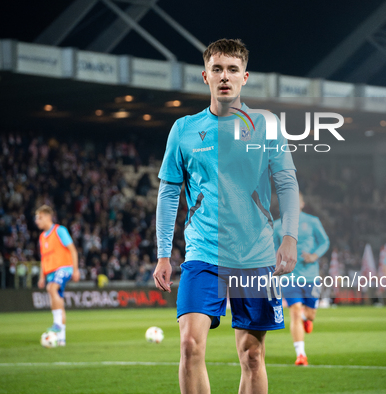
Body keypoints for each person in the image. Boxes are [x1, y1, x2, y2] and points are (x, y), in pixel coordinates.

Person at [153, 38, 300, 394]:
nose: (224, 76)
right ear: (205, 76)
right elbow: (169, 192)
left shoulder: (266, 126)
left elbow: (288, 184)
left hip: (255, 255)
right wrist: (162, 253)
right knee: (189, 346)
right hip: (204, 254)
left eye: (232, 70)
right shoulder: (184, 130)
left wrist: (290, 238)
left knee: (252, 355)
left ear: (244, 77)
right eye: (217, 69)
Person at [273, 192, 329, 366]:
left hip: (311, 276)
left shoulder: (312, 222)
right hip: (289, 277)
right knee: (295, 312)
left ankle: (308, 319)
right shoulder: (276, 226)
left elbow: (325, 242)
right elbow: (274, 250)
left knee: (310, 314)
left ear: (302, 204)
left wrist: (314, 255)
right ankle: (301, 354)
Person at [36, 205, 80, 346]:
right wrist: (42, 277)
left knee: (52, 288)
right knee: (58, 301)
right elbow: (43, 258)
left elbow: (72, 250)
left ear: (48, 217)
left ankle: (57, 324)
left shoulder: (59, 230)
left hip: (64, 268)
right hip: (50, 272)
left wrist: (76, 270)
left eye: (40, 217)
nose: (37, 221)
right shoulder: (42, 237)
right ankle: (61, 339)